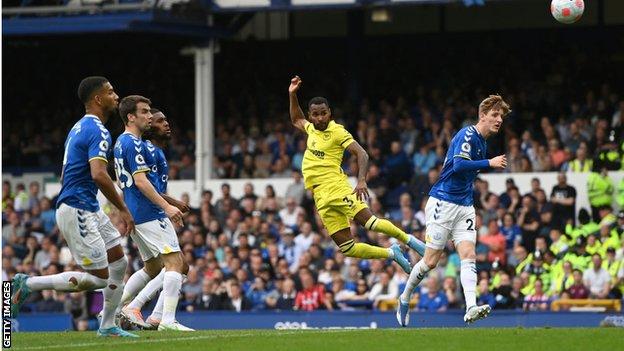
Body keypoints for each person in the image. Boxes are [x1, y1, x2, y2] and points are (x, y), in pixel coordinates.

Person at [11, 76, 137, 337]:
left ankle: (108, 325)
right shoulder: (98, 130)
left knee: (119, 262)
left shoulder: (78, 127)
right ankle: (29, 283)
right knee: (102, 277)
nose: (116, 96)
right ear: (98, 99)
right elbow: (99, 174)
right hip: (78, 208)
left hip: (87, 206)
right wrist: (123, 208)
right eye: (111, 92)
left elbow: (67, 172)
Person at [288, 76, 425, 273]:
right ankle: (392, 253)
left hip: (336, 187)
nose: (320, 118)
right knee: (347, 248)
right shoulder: (311, 130)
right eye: (315, 114)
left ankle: (410, 240)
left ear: (329, 113)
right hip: (320, 197)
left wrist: (361, 180)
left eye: (323, 113)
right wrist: (292, 94)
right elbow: (296, 119)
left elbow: (362, 153)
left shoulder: (337, 131)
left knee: (371, 223)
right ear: (311, 115)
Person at [397, 94, 510, 326]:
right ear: (483, 116)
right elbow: (458, 166)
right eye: (495, 114)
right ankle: (405, 296)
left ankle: (470, 307)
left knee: (469, 255)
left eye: (501, 116)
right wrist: (489, 162)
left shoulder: (483, 142)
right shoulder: (468, 134)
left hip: (465, 206)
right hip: (443, 202)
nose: (499, 119)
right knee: (430, 262)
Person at [113, 96, 191, 331]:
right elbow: (142, 182)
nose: (150, 117)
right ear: (131, 117)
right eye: (146, 113)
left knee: (154, 267)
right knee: (176, 262)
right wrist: (167, 206)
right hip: (149, 212)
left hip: (137, 212)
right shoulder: (137, 144)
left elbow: (126, 182)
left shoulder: (122, 143)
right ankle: (165, 320)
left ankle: (119, 310)